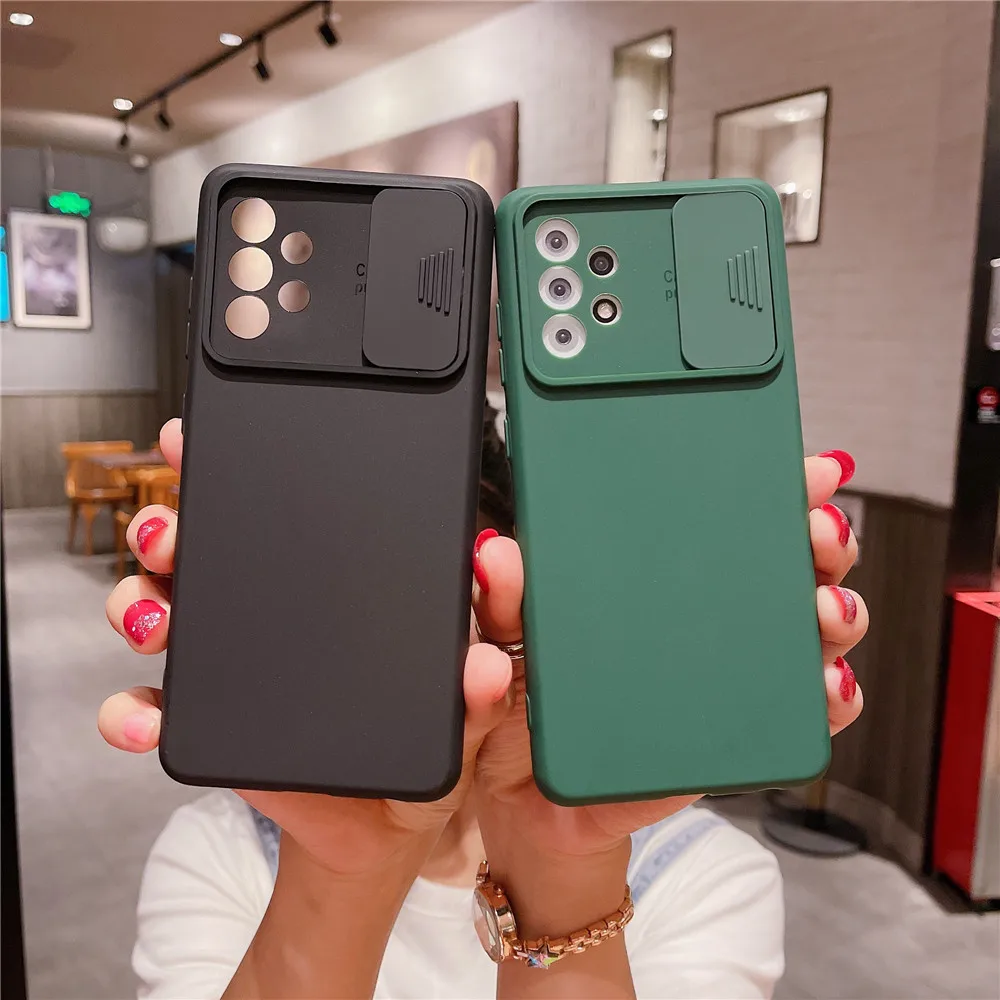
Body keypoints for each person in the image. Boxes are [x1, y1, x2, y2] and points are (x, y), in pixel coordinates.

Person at [99, 409, 866, 1000]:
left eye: (444, 589)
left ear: (520, 596)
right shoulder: (218, 851)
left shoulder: (704, 876)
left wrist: (561, 866)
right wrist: (339, 873)